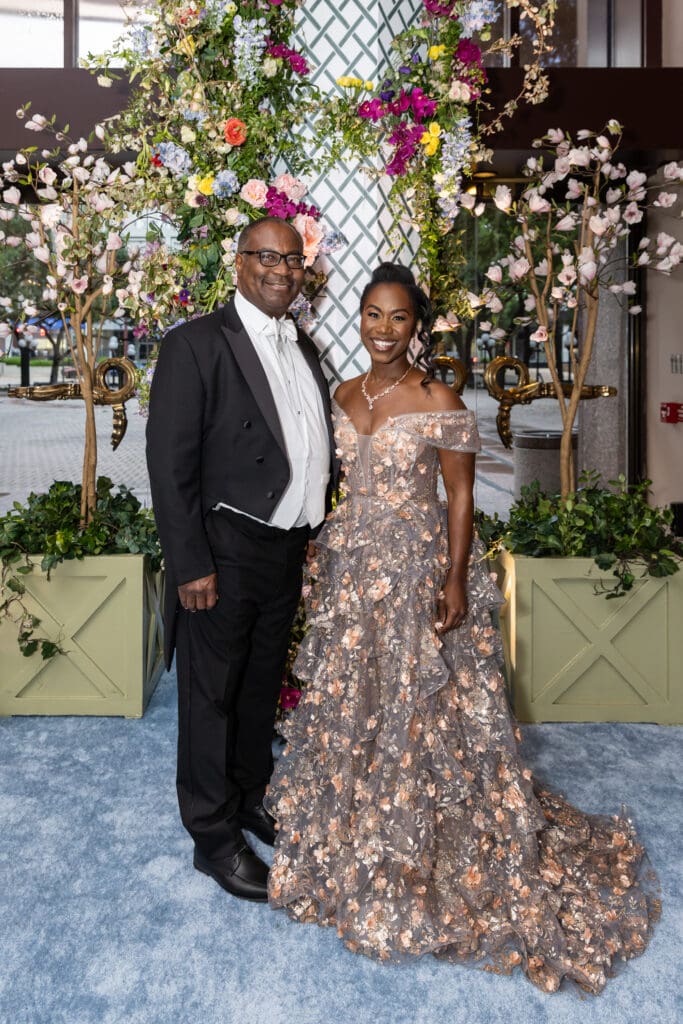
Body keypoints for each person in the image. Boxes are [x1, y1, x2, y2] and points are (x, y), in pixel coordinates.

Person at [266, 262, 659, 993]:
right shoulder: (340, 395)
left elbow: (458, 495)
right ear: (357, 319)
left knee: (425, 706)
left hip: (416, 570)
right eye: (372, 316)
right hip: (353, 572)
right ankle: (357, 827)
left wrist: (452, 577)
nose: (383, 331)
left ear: (418, 326)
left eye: (399, 318)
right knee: (358, 700)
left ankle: (425, 832)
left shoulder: (438, 398)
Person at [146, 216, 337, 903]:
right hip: (222, 553)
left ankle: (251, 797)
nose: (283, 271)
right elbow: (170, 468)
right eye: (267, 258)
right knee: (209, 697)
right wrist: (190, 562)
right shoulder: (195, 344)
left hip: (285, 549)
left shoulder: (303, 345)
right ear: (238, 263)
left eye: (293, 261)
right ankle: (213, 837)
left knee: (258, 687)